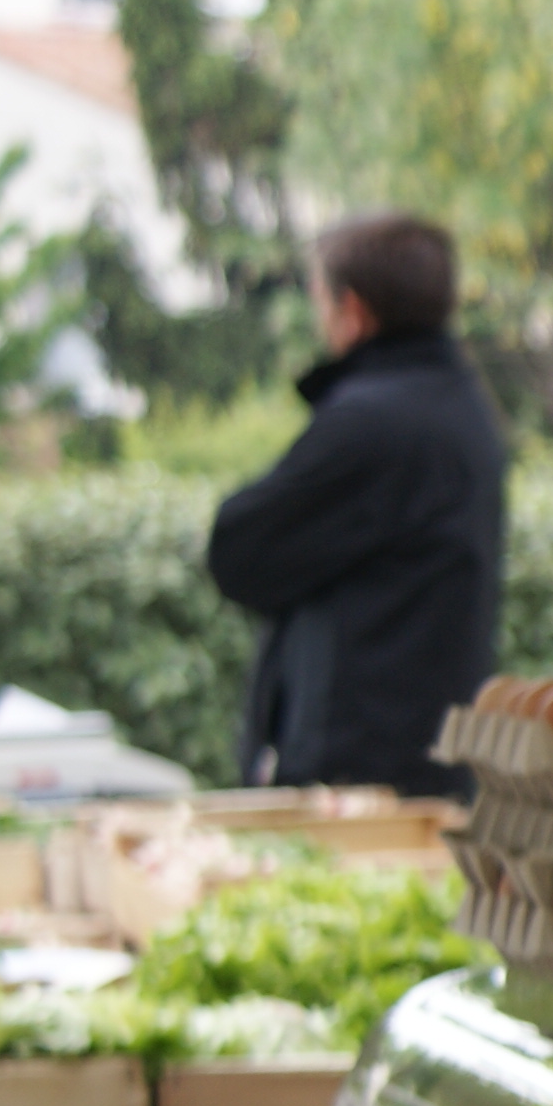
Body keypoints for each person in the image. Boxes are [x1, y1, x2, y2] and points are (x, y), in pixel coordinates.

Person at [208, 213, 507, 799]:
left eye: (321, 298)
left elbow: (240, 551)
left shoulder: (373, 425)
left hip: (362, 770)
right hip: (426, 756)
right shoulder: (463, 407)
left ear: (354, 311)